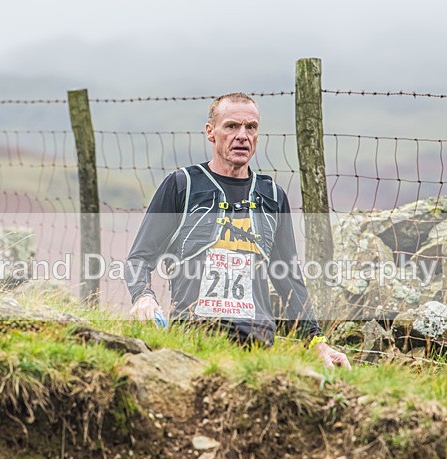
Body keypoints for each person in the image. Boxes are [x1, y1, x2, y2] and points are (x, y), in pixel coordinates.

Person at [125, 92, 350, 369]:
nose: (242, 136)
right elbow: (139, 258)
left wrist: (317, 341)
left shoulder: (272, 196)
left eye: (250, 127)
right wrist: (143, 296)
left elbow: (289, 278)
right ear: (211, 132)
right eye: (231, 126)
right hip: (192, 340)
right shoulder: (182, 186)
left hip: (258, 347)